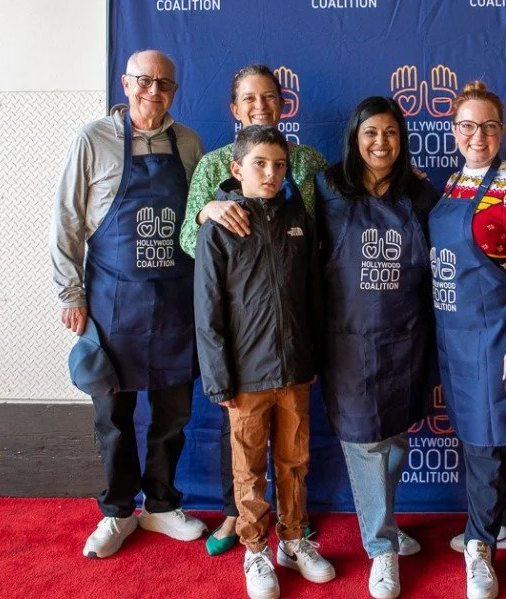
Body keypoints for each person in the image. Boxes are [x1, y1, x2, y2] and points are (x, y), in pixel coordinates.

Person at [50, 50, 208, 558]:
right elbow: (67, 223)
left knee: (173, 414)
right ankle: (118, 512)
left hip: (176, 301)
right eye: (144, 81)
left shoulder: (188, 144)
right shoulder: (92, 139)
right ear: (125, 83)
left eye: (164, 83)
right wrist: (71, 293)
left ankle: (161, 505)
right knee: (113, 418)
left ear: (175, 91)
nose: (153, 91)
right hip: (112, 302)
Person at [178, 64, 328, 555]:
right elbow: (190, 239)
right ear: (234, 108)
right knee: (243, 442)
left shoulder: (307, 161)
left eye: (269, 97)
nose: (260, 106)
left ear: (284, 104)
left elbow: (335, 213)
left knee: (293, 447)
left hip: (291, 318)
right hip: (244, 325)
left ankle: (294, 527)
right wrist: (206, 212)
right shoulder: (216, 164)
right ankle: (240, 524)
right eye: (249, 98)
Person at [194, 125, 333, 599]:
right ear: (237, 169)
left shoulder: (299, 219)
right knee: (249, 468)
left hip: (293, 367)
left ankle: (293, 540)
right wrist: (218, 377)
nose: (271, 173)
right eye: (260, 164)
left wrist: (312, 355)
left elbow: (312, 296)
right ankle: (255, 548)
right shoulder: (219, 227)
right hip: (245, 374)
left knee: (294, 460)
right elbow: (207, 311)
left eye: (279, 165)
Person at [315, 96, 440, 599]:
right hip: (348, 337)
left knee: (394, 441)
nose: (380, 143)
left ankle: (382, 522)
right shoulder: (327, 187)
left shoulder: (420, 196)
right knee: (365, 442)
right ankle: (381, 548)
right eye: (371, 132)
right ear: (355, 137)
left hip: (405, 336)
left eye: (390, 133)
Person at [430, 81, 506, 599]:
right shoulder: (454, 183)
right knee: (487, 436)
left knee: (486, 441)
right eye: (467, 126)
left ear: (503, 131)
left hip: (494, 334)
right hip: (453, 335)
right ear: (454, 130)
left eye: (489, 126)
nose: (478, 135)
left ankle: (480, 548)